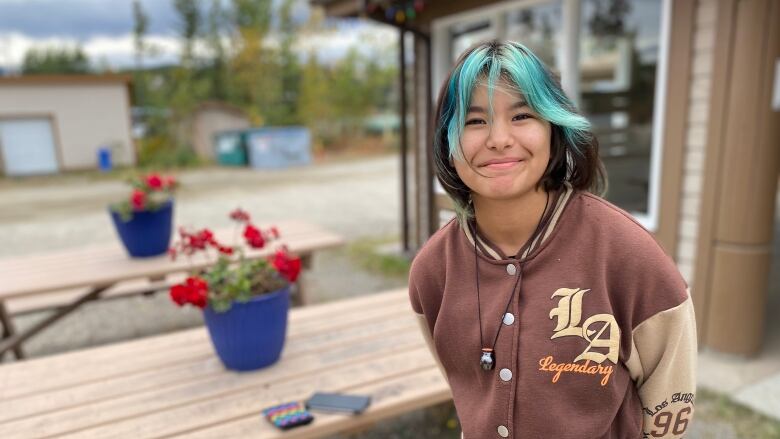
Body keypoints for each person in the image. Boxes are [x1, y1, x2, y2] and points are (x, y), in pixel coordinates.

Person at [408, 40, 696, 439]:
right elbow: (465, 385)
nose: (499, 138)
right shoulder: (432, 270)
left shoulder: (628, 255)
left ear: (553, 128)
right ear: (447, 143)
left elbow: (670, 395)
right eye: (475, 121)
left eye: (522, 115)